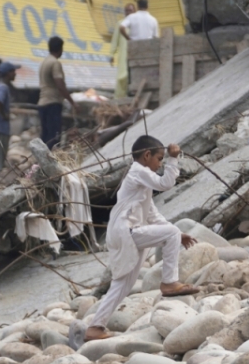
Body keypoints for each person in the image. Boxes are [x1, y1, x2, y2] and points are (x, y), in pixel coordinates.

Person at [84, 136, 198, 342]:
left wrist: (176, 234)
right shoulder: (138, 172)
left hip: (122, 233)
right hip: (125, 231)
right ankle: (169, 283)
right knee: (170, 232)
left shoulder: (140, 182)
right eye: (160, 159)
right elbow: (165, 183)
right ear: (147, 156)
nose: (161, 164)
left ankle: (95, 327)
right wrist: (174, 159)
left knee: (123, 284)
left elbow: (152, 214)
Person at [37, 36, 72, 149]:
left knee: (45, 136)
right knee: (54, 137)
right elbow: (60, 85)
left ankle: (41, 163)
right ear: (60, 49)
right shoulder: (55, 63)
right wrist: (72, 102)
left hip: (42, 103)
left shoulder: (44, 62)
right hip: (52, 103)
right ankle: (51, 161)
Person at [110, 2, 136, 98]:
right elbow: (115, 40)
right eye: (127, 10)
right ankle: (120, 97)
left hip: (135, 55)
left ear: (135, 12)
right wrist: (112, 54)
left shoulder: (137, 24)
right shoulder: (120, 24)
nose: (128, 12)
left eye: (130, 10)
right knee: (122, 76)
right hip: (123, 55)